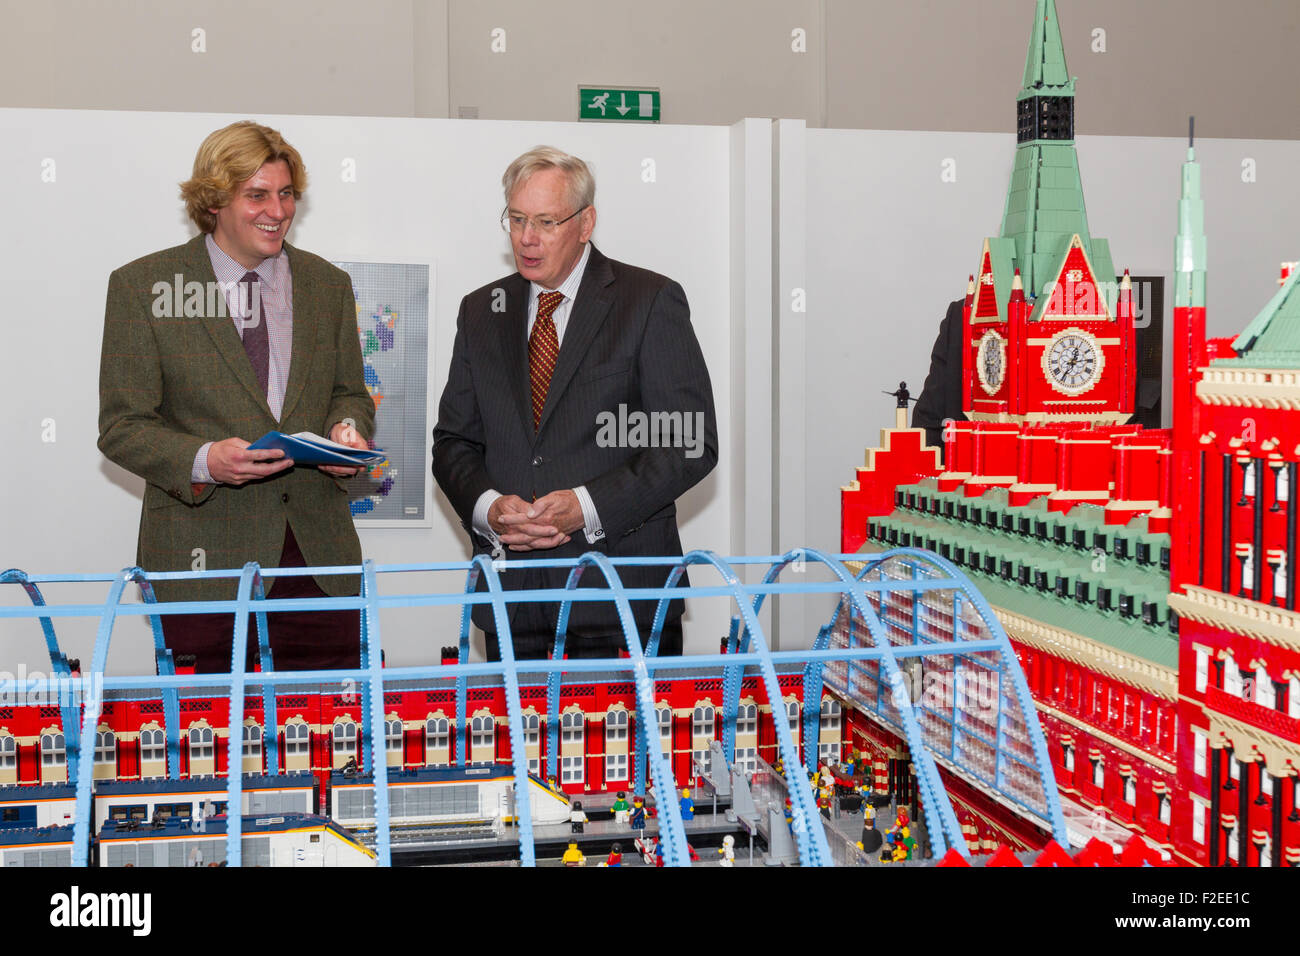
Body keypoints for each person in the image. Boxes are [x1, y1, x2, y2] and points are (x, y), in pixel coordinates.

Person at [98, 121, 375, 673]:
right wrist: (205, 461)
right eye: (257, 195)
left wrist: (348, 428)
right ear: (213, 201)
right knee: (209, 743)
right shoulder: (144, 285)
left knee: (324, 740)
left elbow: (349, 391)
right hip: (202, 567)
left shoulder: (327, 284)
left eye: (287, 193)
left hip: (317, 564)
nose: (278, 210)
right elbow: (123, 426)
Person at [432, 145, 718, 661]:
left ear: (585, 223)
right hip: (511, 604)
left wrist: (585, 507)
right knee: (517, 746)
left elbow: (688, 444)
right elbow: (454, 441)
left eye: (545, 221)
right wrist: (488, 508)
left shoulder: (649, 301)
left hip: (621, 604)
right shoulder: (481, 311)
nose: (526, 238)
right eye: (516, 219)